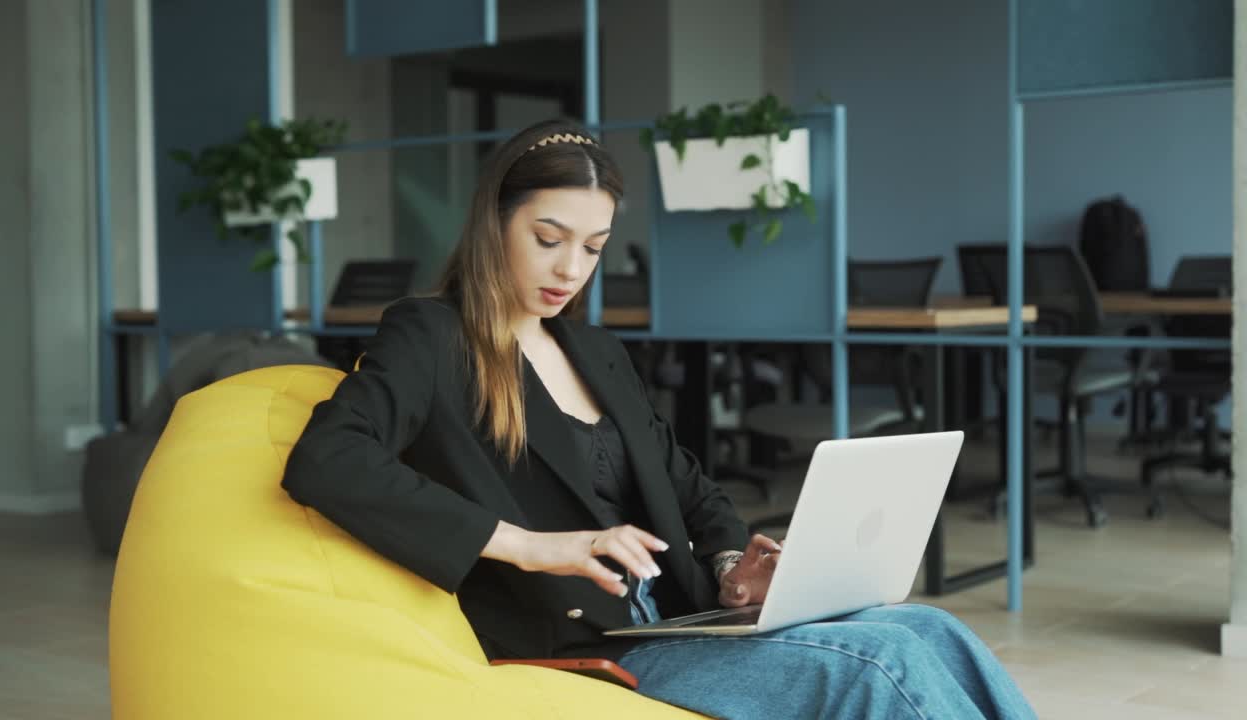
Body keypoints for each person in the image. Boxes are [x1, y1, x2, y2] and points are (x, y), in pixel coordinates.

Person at [281, 119, 1036, 720]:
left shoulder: (595, 351)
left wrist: (731, 569)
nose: (570, 269)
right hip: (585, 643)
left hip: (677, 618)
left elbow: (690, 487)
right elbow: (327, 458)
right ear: (493, 222)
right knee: (877, 665)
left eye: (593, 248)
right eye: (548, 239)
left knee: (932, 629)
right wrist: (530, 546)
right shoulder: (432, 335)